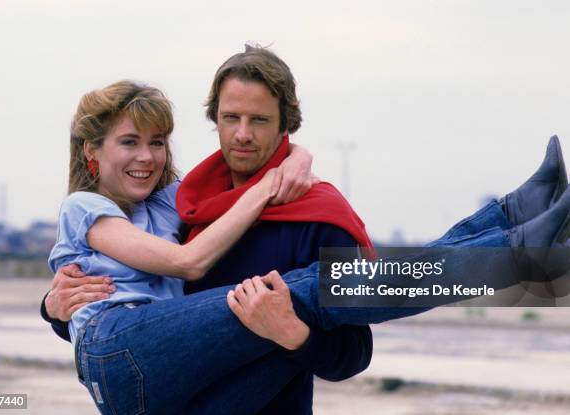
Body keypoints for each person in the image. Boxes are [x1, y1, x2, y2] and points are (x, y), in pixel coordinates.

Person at [43, 46, 570, 415]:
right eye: (230, 118)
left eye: (260, 121)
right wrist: (53, 307)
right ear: (216, 121)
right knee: (313, 288)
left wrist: (291, 335)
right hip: (141, 371)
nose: (242, 135)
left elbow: (352, 355)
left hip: (232, 401)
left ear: (285, 126)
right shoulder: (188, 205)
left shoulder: (307, 212)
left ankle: (511, 219)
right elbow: (134, 293)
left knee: (316, 296)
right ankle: (517, 248)